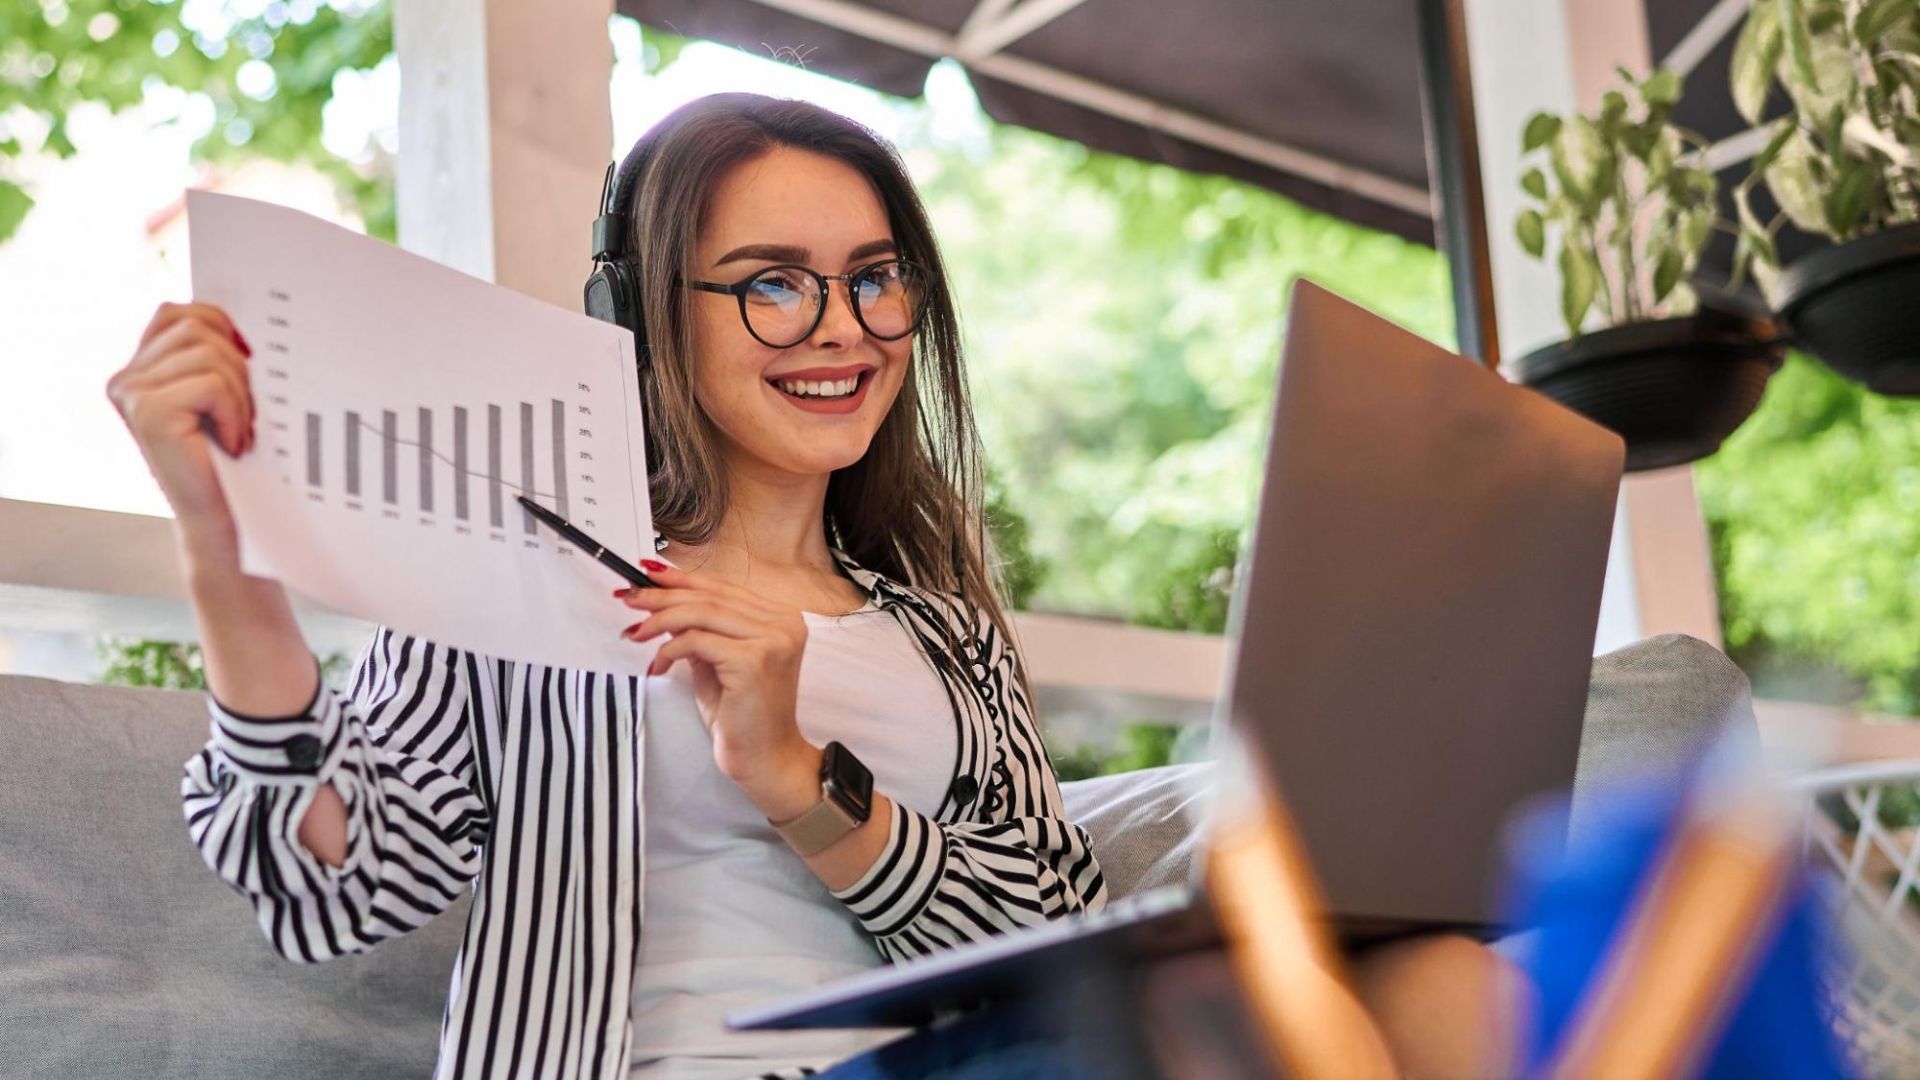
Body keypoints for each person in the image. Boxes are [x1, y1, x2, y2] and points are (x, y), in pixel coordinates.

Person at [111, 93, 1523, 1080]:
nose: (840, 329)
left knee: (1451, 982)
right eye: (772, 285)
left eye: (873, 279)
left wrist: (803, 780)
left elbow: (1046, 932)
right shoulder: (526, 585)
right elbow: (326, 898)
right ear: (651, 310)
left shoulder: (944, 636)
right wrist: (221, 544)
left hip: (978, 1061)